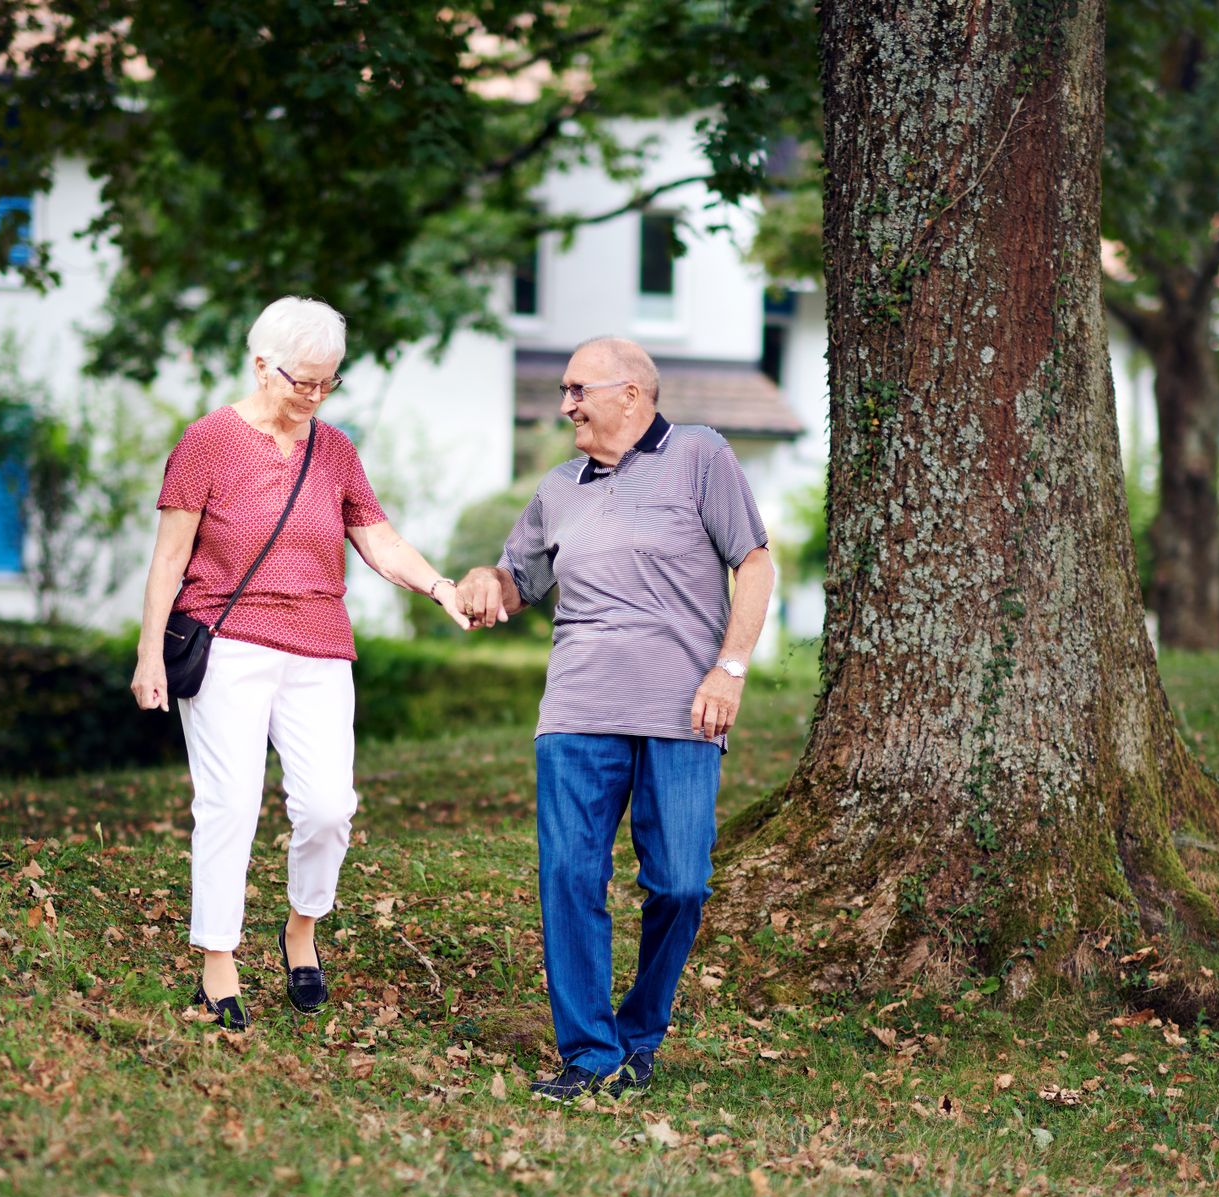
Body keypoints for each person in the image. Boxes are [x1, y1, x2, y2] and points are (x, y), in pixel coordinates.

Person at [131, 296, 468, 1030]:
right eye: (302, 380)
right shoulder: (207, 441)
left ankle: (301, 927)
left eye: (327, 382)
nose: (315, 395)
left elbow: (378, 539)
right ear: (262, 365)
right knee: (229, 802)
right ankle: (217, 957)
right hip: (228, 642)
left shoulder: (335, 449)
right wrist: (149, 651)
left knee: (327, 807)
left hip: (319, 647)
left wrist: (440, 586)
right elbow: (169, 558)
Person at [457, 336, 774, 1101]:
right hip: (576, 711)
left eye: (578, 389)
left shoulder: (699, 454)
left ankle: (640, 1030)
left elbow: (756, 562)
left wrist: (730, 667)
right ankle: (590, 1052)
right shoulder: (558, 488)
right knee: (569, 876)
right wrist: (483, 580)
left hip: (683, 709)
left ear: (630, 393)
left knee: (681, 883)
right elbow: (516, 582)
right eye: (564, 391)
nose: (564, 404)